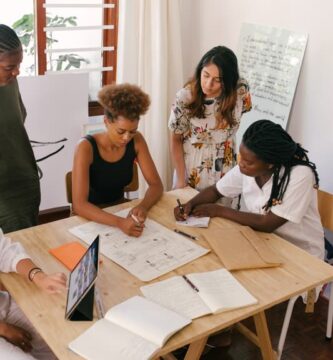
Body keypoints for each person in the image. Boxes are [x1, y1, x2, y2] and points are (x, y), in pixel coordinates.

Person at [174, 119, 324, 260]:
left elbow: (268, 223)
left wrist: (219, 210)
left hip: (301, 255)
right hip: (265, 243)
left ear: (270, 163)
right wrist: (190, 205)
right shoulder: (247, 169)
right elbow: (216, 191)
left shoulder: (299, 175)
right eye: (241, 157)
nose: (241, 164)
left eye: (248, 162)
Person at [72, 83, 163, 237]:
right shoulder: (85, 147)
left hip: (120, 210)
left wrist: (143, 207)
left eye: (132, 132)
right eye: (121, 131)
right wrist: (119, 222)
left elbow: (156, 185)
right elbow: (79, 205)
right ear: (107, 121)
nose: (127, 138)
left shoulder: (137, 141)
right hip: (89, 218)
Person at [168, 45, 252, 191]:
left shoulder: (240, 91)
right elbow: (175, 140)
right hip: (193, 169)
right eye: (205, 75)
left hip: (227, 168)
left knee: (224, 213)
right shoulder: (185, 97)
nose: (208, 84)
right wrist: (181, 180)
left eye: (217, 80)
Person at [0, 228, 67, 359]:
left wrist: (38, 276)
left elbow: (4, 251)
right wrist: (3, 329)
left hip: (3, 304)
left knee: (60, 337)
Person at [0, 24, 40, 233]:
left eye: (19, 64)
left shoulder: (10, 82)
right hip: (3, 193)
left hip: (25, 181)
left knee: (27, 249)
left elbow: (18, 120)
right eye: (9, 67)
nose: (16, 71)